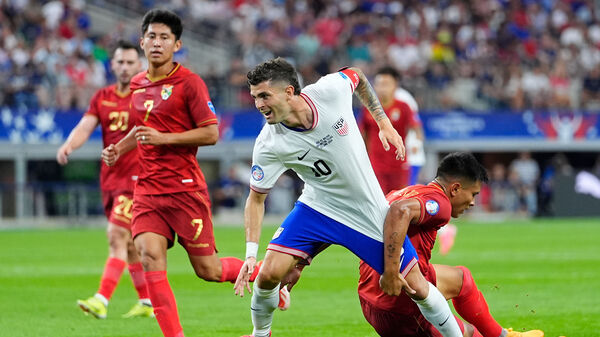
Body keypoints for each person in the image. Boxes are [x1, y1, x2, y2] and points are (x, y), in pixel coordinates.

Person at [234, 57, 463, 337]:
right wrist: (249, 255)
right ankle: (260, 334)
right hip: (317, 206)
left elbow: (358, 76)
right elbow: (255, 199)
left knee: (416, 285)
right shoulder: (268, 143)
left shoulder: (329, 91)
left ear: (289, 92)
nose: (259, 105)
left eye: (264, 96)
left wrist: (383, 123)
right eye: (255, 97)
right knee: (268, 274)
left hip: (365, 209)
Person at [101, 9, 261, 337]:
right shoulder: (137, 83)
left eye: (164, 38)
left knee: (209, 270)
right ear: (142, 42)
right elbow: (142, 128)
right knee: (148, 256)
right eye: (152, 37)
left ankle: (264, 274)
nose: (157, 43)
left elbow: (211, 133)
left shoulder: (190, 83)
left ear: (177, 44)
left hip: (184, 189)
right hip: (147, 190)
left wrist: (165, 139)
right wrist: (120, 148)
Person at [358, 152, 544, 337]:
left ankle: (503, 336)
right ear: (455, 189)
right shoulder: (441, 204)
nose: (472, 203)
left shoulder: (405, 192)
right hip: (397, 302)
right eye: (473, 194)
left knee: (462, 278)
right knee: (468, 333)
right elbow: (400, 211)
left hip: (370, 293)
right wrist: (391, 272)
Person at [56, 40, 153, 319]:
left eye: (130, 62)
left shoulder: (144, 96)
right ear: (112, 65)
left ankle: (102, 300)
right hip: (110, 180)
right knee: (132, 246)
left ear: (139, 65)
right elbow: (86, 125)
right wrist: (69, 145)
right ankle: (147, 303)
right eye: (120, 62)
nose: (124, 67)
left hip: (137, 179)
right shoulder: (102, 96)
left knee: (116, 236)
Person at [359, 66, 423, 194]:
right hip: (376, 166)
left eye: (386, 84)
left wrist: (416, 145)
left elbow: (417, 130)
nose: (382, 88)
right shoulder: (367, 109)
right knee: (379, 205)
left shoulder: (404, 106)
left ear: (395, 86)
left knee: (398, 204)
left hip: (399, 166)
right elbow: (362, 134)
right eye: (379, 84)